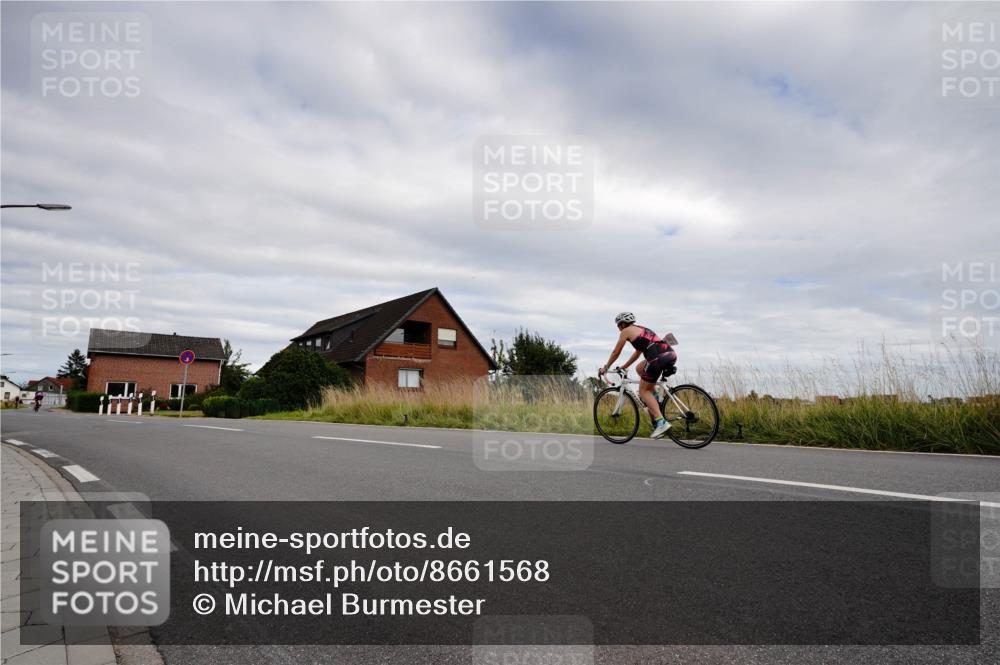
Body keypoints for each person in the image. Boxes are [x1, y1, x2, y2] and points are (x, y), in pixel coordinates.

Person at [599, 312, 677, 439]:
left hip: (656, 357)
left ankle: (661, 422)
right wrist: (624, 367)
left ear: (622, 324)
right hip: (668, 353)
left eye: (618, 325)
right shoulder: (642, 329)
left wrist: (606, 368)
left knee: (643, 390)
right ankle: (655, 396)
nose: (618, 328)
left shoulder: (625, 331)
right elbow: (637, 353)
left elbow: (616, 352)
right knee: (640, 368)